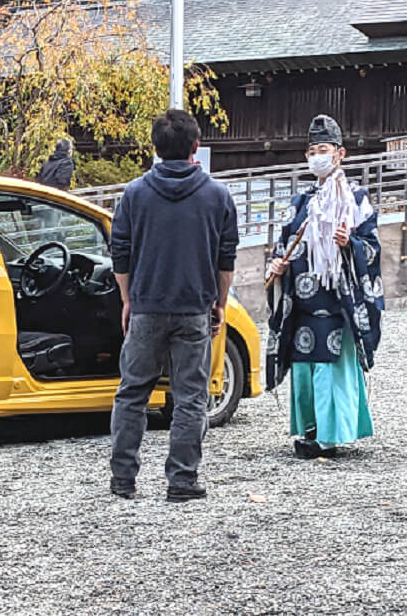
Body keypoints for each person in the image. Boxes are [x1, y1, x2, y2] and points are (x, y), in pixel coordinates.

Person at [108, 109, 239, 502]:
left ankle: (123, 480)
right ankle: (182, 480)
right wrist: (219, 302)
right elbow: (226, 257)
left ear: (155, 148)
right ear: (195, 147)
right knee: (190, 395)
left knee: (132, 392)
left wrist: (128, 299)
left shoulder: (134, 194)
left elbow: (121, 252)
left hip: (147, 305)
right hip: (193, 308)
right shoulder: (217, 195)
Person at [265, 115, 383, 459]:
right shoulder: (299, 202)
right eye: (313, 150)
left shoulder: (356, 198)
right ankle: (309, 430)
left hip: (335, 304)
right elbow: (283, 243)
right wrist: (277, 263)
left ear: (340, 153)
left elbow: (372, 247)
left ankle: (333, 434)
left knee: (331, 369)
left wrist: (350, 245)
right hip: (301, 302)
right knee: (305, 371)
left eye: (324, 149)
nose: (318, 155)